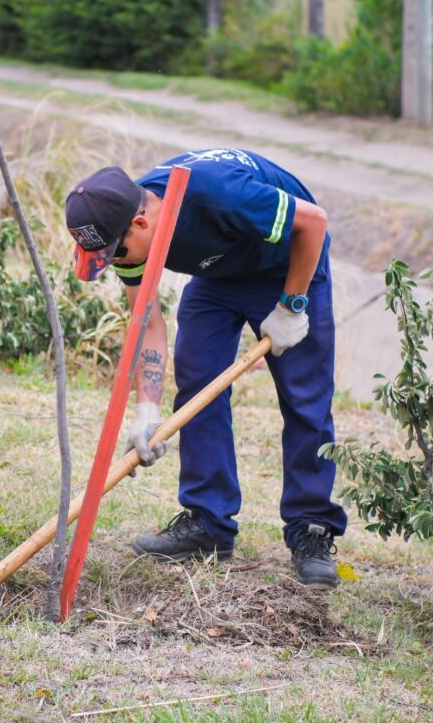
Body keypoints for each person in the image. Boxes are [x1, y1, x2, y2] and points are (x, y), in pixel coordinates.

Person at [65, 148, 347, 588]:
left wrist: (292, 305)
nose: (117, 262)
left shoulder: (217, 193)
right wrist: (146, 410)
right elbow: (147, 322)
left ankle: (311, 528)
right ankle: (208, 523)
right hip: (218, 275)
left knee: (304, 398)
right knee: (197, 382)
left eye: (115, 254)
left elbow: (314, 222)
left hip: (289, 265)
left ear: (140, 224)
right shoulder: (122, 226)